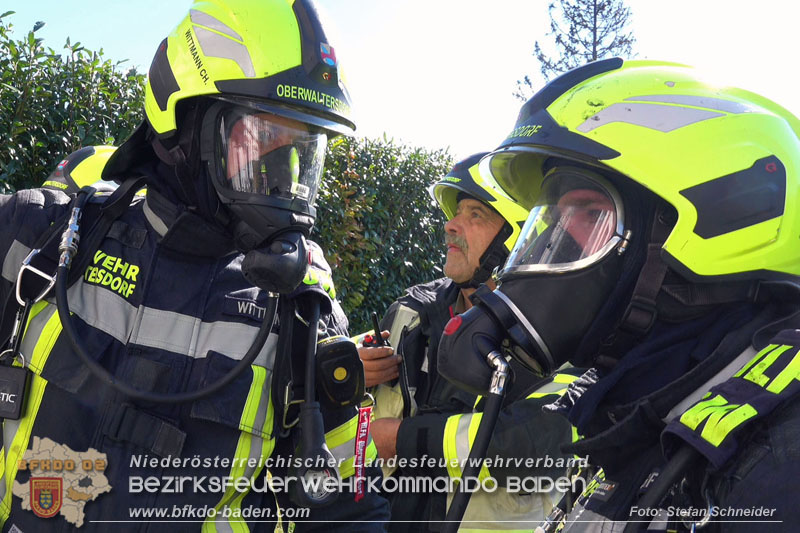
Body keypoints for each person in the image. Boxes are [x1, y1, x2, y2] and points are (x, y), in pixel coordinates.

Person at [0, 1, 389, 530]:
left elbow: (344, 510)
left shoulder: (303, 316)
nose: (282, 178)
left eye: (300, 151)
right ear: (185, 124)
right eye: (260, 140)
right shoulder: (35, 237)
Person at [438, 58, 800, 532]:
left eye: (589, 213)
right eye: (554, 220)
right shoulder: (637, 395)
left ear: (719, 221)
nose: (559, 244)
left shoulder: (778, 460)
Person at [363, 153, 580, 531]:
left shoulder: (560, 336)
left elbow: (539, 447)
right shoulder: (410, 314)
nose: (450, 225)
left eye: (475, 214)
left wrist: (404, 439)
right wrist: (350, 371)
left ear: (519, 232)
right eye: (455, 212)